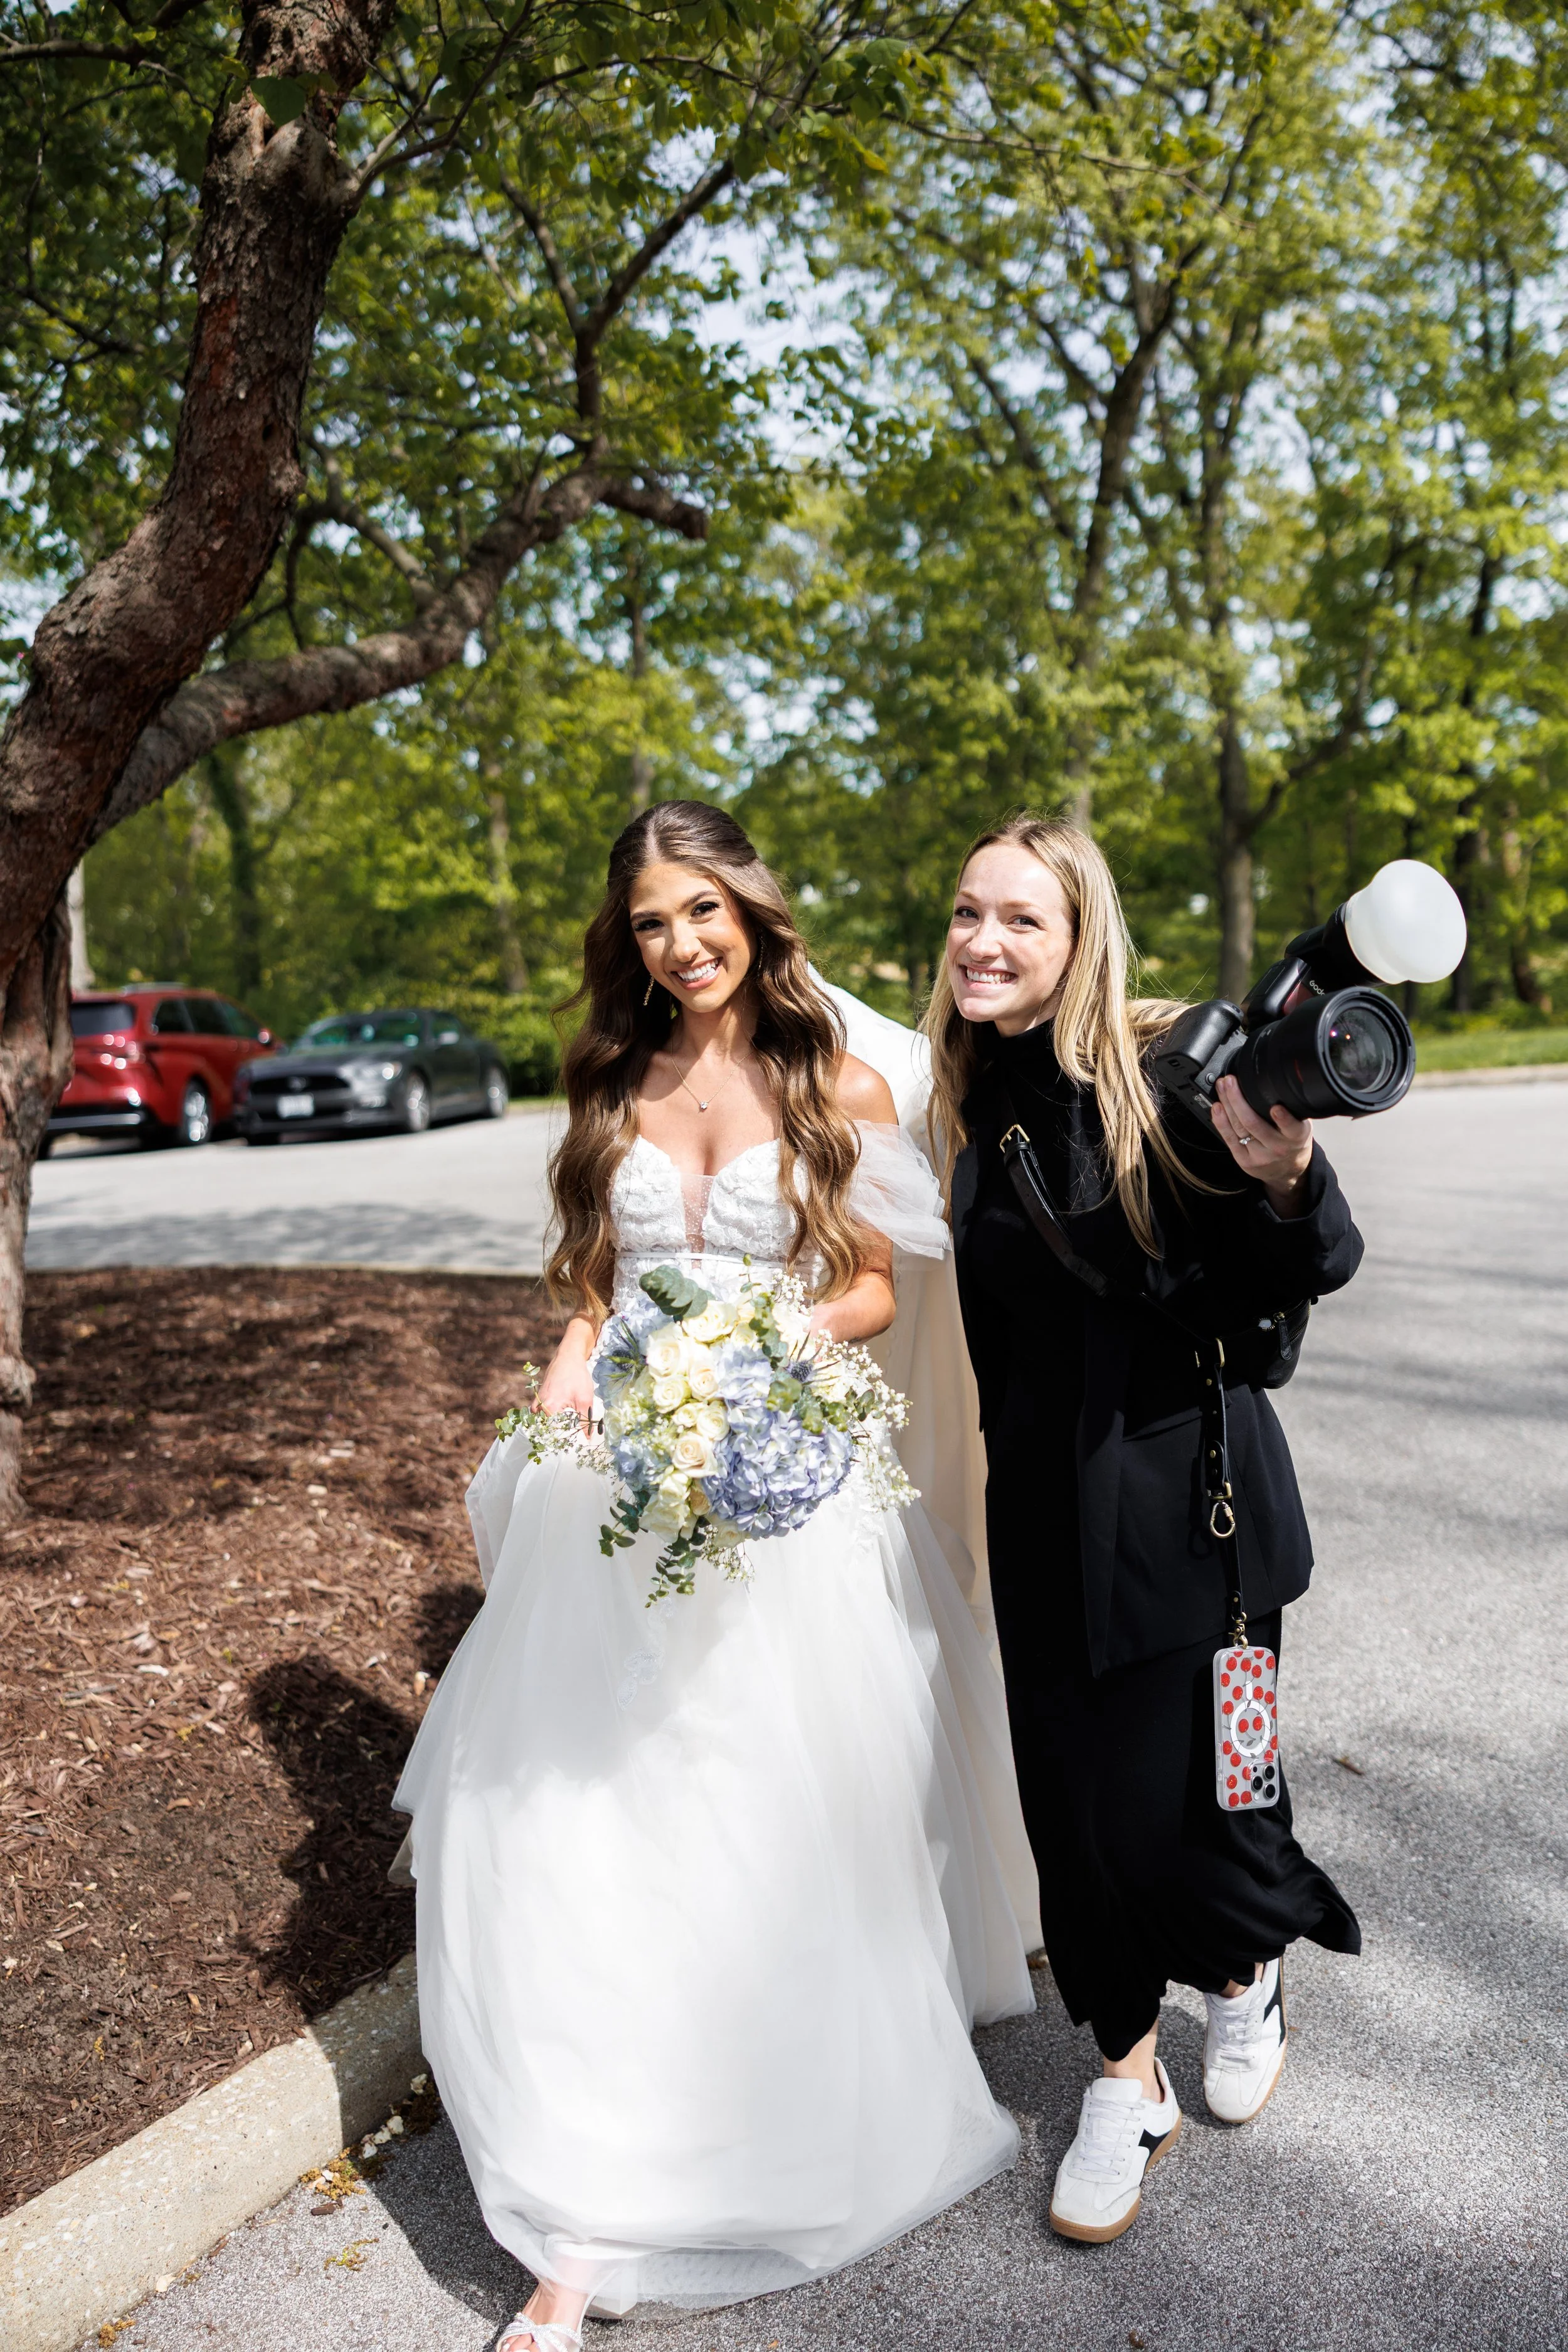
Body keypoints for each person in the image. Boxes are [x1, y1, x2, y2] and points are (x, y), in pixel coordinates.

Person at [392, 802, 1038, 2350]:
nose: (679, 945)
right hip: (610, 1490)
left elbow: (876, 1290)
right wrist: (567, 1385)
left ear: (750, 909)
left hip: (781, 1496)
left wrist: (749, 1352)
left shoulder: (838, 1078)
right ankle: (585, 2210)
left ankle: (746, 2112)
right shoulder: (614, 1079)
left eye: (701, 911)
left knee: (750, 1810)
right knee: (580, 1818)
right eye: (648, 924)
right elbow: (598, 1288)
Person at [927, 813, 1363, 2245]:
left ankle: (1244, 1974)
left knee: (1218, 1798)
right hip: (1044, 1517)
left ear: (1079, 941)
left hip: (1202, 1521)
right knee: (1077, 1816)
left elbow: (1302, 1270)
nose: (984, 941)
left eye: (1022, 920)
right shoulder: (952, 1093)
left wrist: (1288, 1176)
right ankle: (1123, 2074)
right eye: (966, 913)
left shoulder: (1165, 1080)